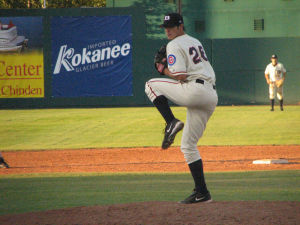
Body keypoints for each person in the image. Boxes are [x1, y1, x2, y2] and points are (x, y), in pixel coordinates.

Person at [145, 13, 218, 204]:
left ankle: (171, 122)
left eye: (171, 26)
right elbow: (187, 73)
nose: (167, 30)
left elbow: (179, 75)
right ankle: (202, 193)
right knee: (188, 146)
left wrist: (163, 69)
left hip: (195, 91)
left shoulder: (174, 44)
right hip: (210, 96)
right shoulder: (194, 41)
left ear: (180, 26)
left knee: (151, 84)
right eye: (165, 27)